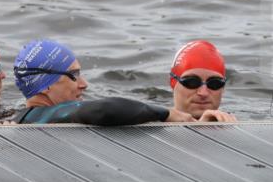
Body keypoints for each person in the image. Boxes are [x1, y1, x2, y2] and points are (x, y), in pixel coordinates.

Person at [11, 39, 193, 125]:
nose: (84, 84)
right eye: (73, 75)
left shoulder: (26, 117)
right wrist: (165, 113)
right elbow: (106, 109)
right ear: (46, 85)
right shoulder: (45, 115)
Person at [170, 40, 236, 122]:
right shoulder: (153, 121)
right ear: (173, 82)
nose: (203, 93)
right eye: (192, 82)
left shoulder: (237, 125)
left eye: (214, 83)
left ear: (223, 88)